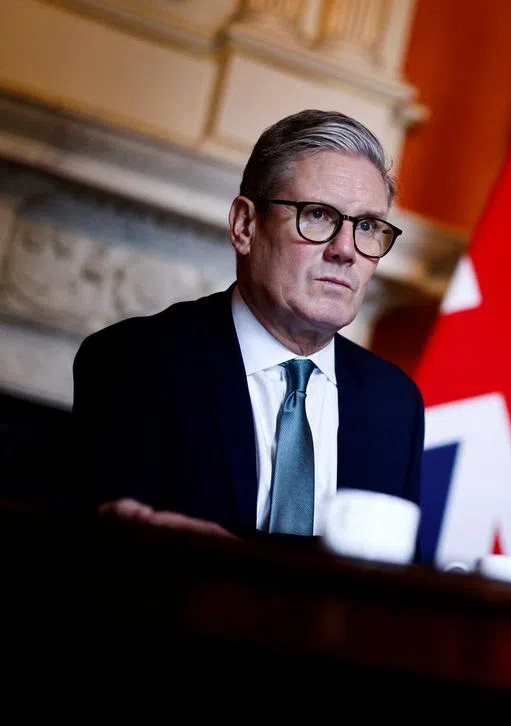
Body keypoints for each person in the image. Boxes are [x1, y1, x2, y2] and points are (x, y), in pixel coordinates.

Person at [72, 110, 425, 547]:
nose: (344, 250)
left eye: (367, 226)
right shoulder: (135, 361)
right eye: (317, 215)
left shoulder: (394, 404)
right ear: (245, 226)